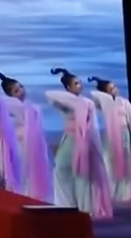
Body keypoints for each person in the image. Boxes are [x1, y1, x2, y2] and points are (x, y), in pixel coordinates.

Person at [45, 68, 114, 219]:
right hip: (69, 140)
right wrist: (73, 101)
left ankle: (84, 207)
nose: (80, 86)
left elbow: (93, 126)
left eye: (80, 83)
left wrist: (94, 146)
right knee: (61, 170)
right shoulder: (66, 103)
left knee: (82, 175)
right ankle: (67, 204)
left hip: (84, 142)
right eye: (76, 83)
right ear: (68, 87)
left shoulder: (87, 103)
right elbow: (49, 95)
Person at [0, 70, 54, 203]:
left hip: (34, 145)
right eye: (16, 90)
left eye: (21, 87)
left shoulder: (33, 107)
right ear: (10, 95)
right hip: (19, 145)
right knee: (21, 173)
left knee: (33, 174)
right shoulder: (10, 106)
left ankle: (33, 197)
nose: (21, 91)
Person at [88, 77, 131, 204]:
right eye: (111, 88)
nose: (115, 90)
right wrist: (104, 94)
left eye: (115, 87)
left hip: (124, 135)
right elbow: (93, 96)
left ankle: (124, 193)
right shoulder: (103, 104)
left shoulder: (125, 103)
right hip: (110, 136)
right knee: (109, 164)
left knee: (125, 165)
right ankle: (109, 193)